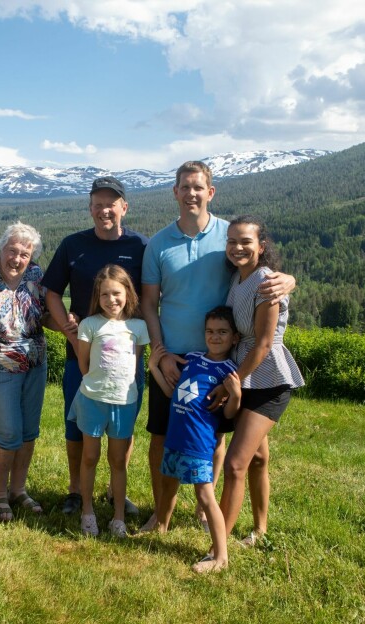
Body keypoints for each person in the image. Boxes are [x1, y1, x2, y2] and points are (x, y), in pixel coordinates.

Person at [141, 161, 296, 532]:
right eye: (185, 187)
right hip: (176, 358)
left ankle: (204, 509)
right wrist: (159, 353)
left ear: (210, 192)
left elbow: (262, 268)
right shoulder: (159, 244)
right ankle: (160, 515)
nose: (191, 193)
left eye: (199, 187)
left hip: (221, 360)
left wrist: (287, 279)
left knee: (214, 440)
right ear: (174, 192)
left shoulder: (231, 236)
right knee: (162, 438)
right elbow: (148, 303)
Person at [42, 176, 147, 517]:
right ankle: (75, 490)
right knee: (77, 427)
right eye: (98, 204)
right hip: (81, 354)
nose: (105, 210)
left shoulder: (141, 247)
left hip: (127, 361)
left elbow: (152, 296)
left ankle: (115, 490)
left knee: (123, 425)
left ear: (124, 208)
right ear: (90, 208)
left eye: (111, 204)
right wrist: (70, 332)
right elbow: (52, 292)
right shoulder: (73, 245)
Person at [219, 215, 304, 547]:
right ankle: (260, 530)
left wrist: (233, 382)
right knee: (257, 458)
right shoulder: (239, 279)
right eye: (232, 242)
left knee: (236, 463)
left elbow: (265, 343)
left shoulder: (267, 282)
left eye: (245, 242)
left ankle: (219, 547)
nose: (238, 248)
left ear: (262, 246)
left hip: (267, 377)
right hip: (246, 375)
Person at [149, 306, 241, 573]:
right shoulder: (192, 359)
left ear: (234, 338)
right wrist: (154, 367)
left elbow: (228, 414)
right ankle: (161, 527)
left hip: (198, 444)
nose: (215, 337)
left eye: (222, 332)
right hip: (175, 438)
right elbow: (171, 392)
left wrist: (235, 395)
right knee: (168, 486)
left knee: (205, 495)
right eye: (210, 331)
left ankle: (221, 557)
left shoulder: (229, 370)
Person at [0, 222, 54, 522]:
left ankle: (18, 489)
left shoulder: (36, 275)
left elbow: (46, 315)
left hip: (35, 362)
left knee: (29, 431)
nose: (17, 259)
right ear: (1, 247)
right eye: (12, 251)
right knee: (8, 432)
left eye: (24, 253)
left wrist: (72, 323)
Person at [68, 265, 149, 537]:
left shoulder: (137, 327)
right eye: (104, 295)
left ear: (128, 293)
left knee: (118, 461)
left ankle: (118, 517)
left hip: (124, 401)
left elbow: (136, 363)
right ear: (97, 296)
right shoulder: (89, 325)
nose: (111, 300)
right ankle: (87, 511)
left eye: (117, 293)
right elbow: (83, 362)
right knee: (89, 456)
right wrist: (97, 385)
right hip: (93, 399)